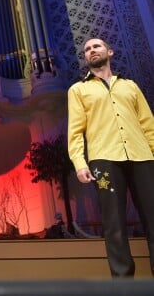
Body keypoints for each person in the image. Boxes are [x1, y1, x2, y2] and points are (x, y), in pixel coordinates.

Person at [67, 37, 154, 277]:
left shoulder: (130, 86)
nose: (91, 50)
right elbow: (75, 132)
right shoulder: (78, 90)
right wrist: (79, 162)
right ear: (85, 58)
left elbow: (148, 124)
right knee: (114, 223)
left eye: (96, 46)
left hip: (142, 157)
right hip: (104, 160)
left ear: (110, 52)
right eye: (87, 49)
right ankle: (124, 284)